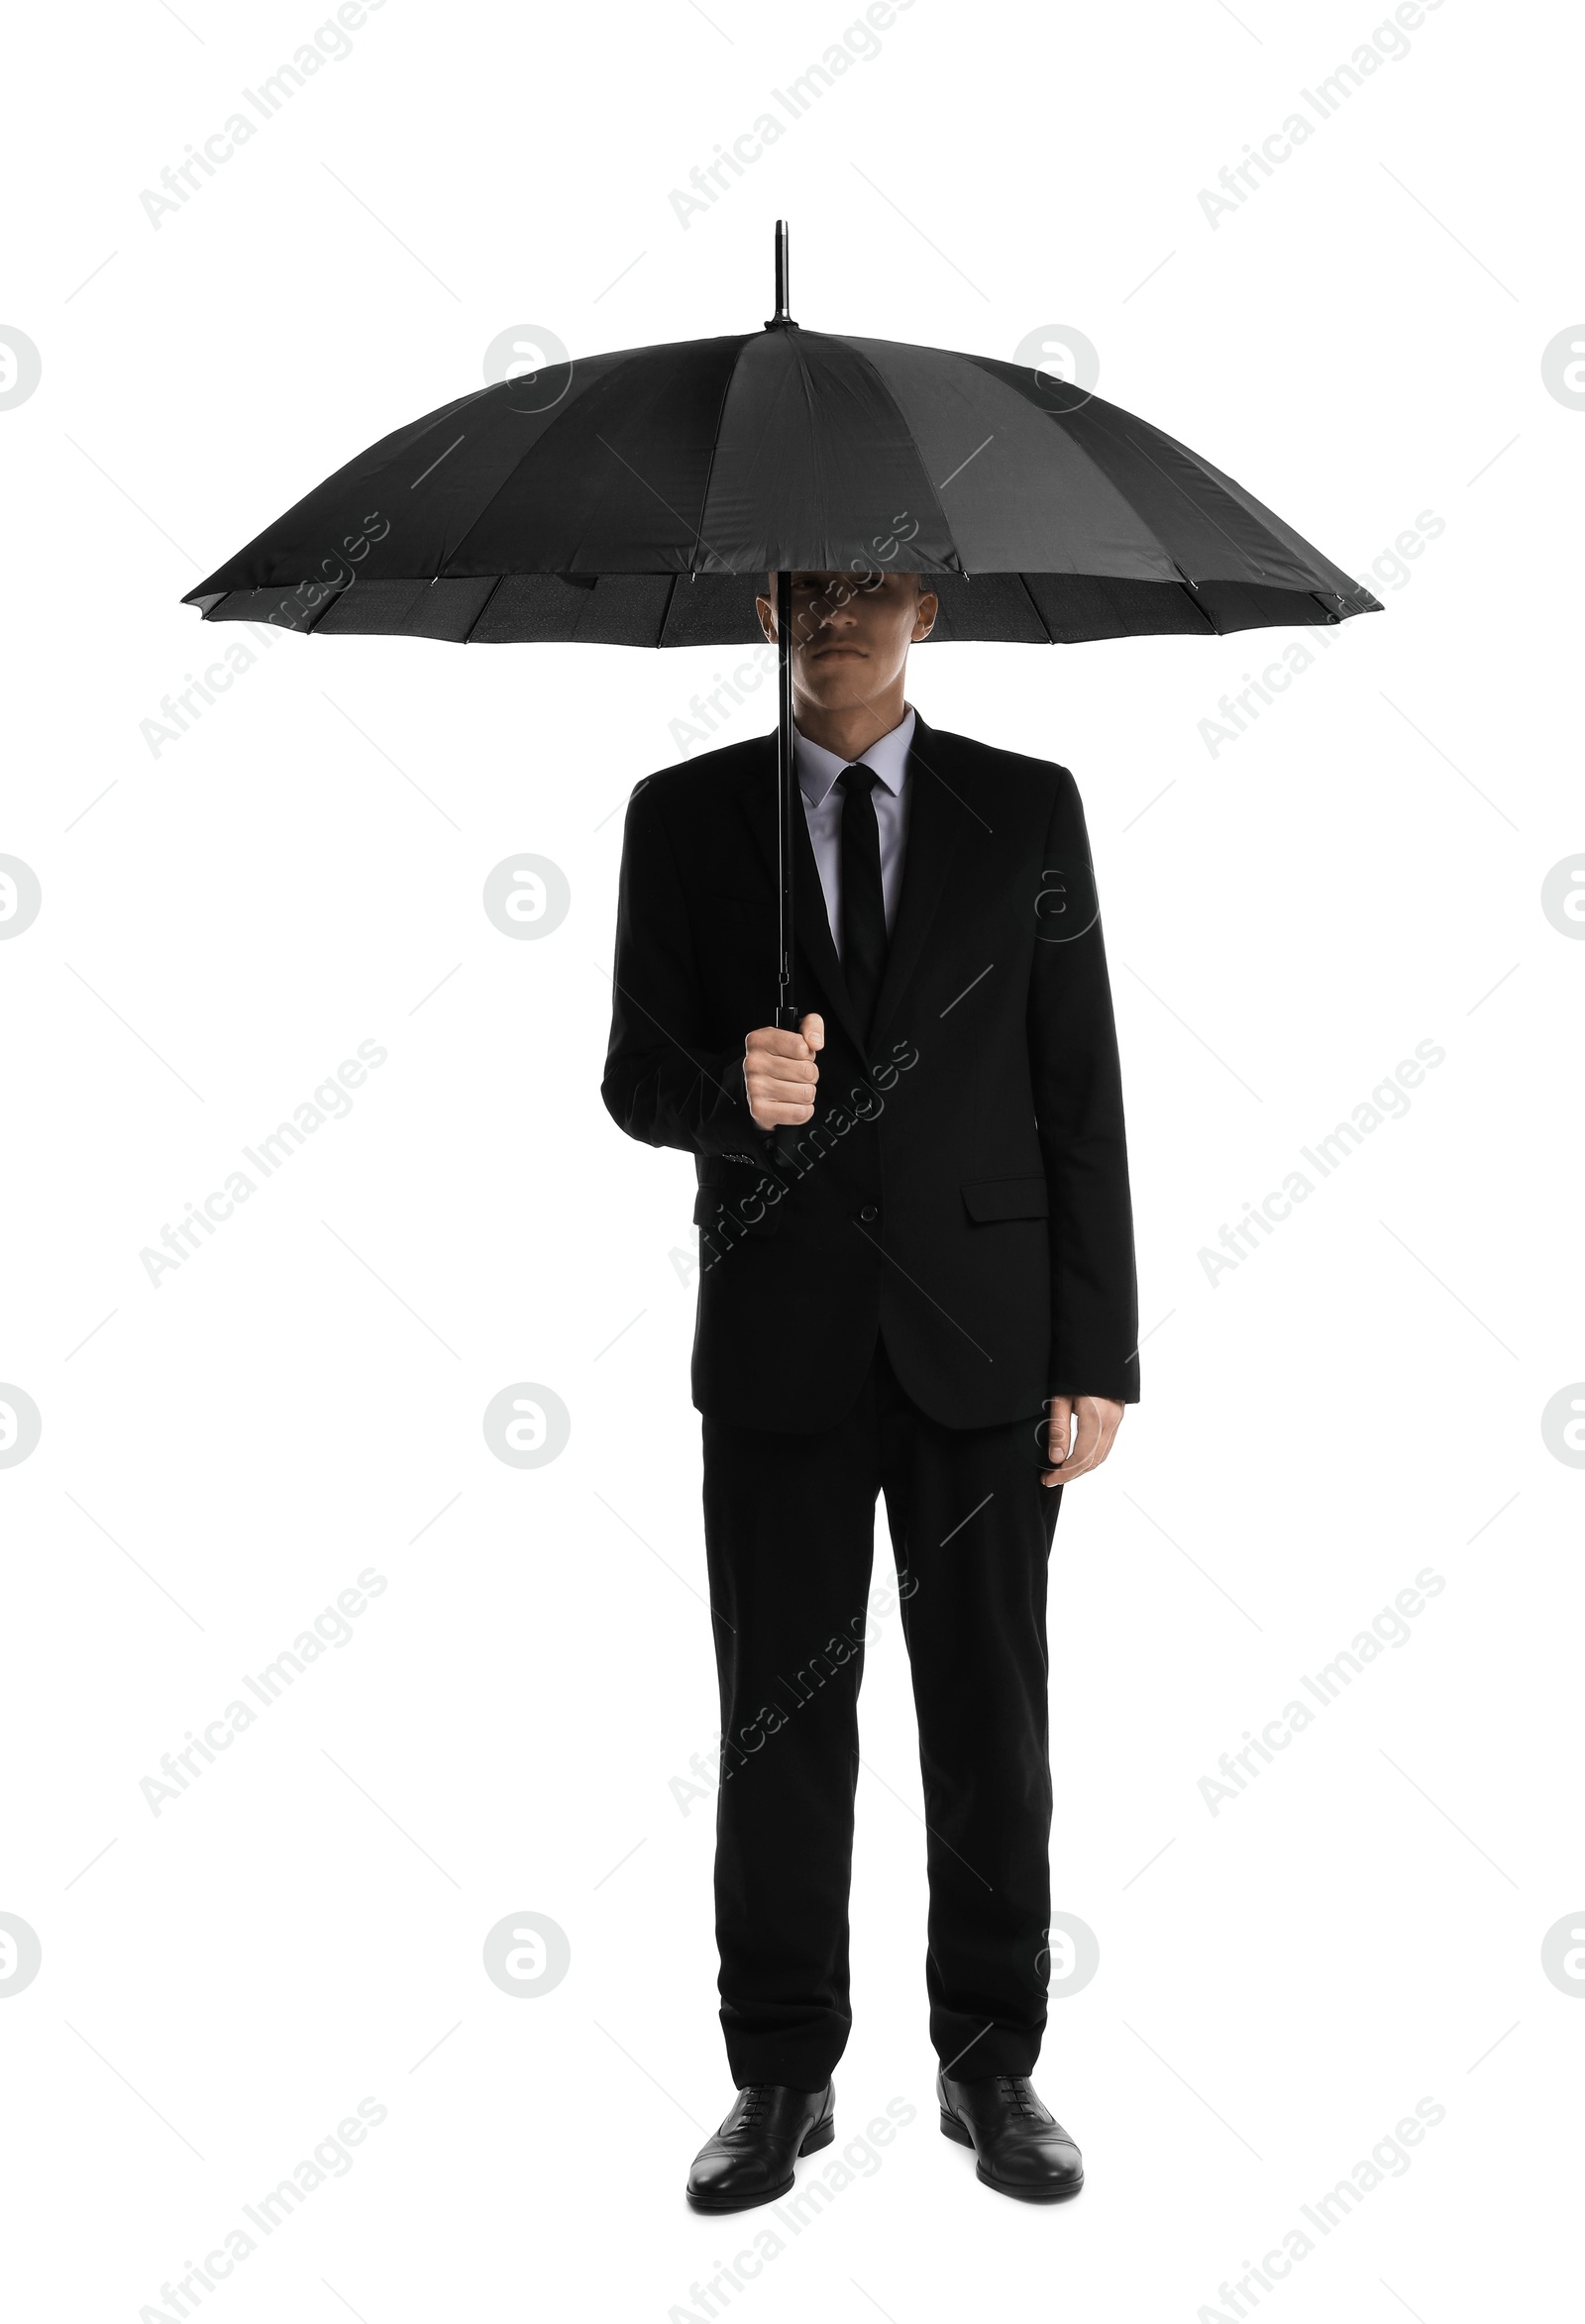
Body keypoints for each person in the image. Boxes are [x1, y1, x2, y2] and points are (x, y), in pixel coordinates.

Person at [601, 569, 1138, 2209]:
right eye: (808, 585)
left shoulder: (1026, 809)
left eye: (872, 583)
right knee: (779, 1729)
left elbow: (1078, 1076)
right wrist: (730, 1094)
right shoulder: (687, 816)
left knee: (991, 1718)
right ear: (768, 604)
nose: (840, 612)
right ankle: (779, 2073)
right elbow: (634, 1071)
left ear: (927, 603)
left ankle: (993, 2062)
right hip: (781, 1346)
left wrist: (1095, 1349)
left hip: (983, 1337)